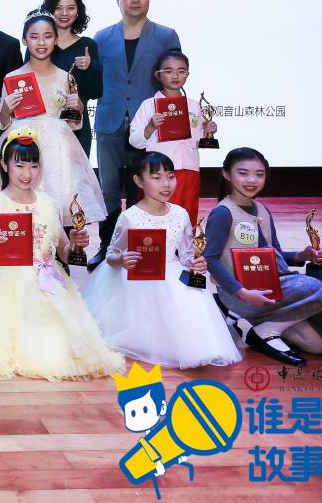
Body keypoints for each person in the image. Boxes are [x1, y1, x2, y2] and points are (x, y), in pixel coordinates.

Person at [0, 129, 123, 380]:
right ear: (5, 165)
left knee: (60, 344)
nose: (27, 173)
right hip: (1, 280)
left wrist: (75, 245)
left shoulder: (48, 203)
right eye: (19, 165)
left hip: (44, 277)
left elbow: (63, 251)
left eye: (33, 166)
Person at [81, 152, 241, 369]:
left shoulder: (180, 214)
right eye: (156, 178)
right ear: (138, 181)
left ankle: (195, 346)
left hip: (171, 270)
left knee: (191, 299)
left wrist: (195, 263)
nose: (166, 184)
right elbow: (111, 255)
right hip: (136, 278)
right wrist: (123, 260)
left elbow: (185, 254)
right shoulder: (130, 217)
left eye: (170, 176)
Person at [204, 147, 322, 367]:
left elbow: (273, 254)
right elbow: (210, 260)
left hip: (269, 291)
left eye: (259, 174)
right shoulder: (223, 213)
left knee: (317, 345)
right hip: (242, 294)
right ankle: (259, 328)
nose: (252, 180)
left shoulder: (262, 210)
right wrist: (242, 292)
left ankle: (266, 328)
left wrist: (302, 255)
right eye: (243, 173)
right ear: (226, 174)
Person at [0, 12, 106, 236]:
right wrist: (6, 110)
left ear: (56, 40)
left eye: (48, 36)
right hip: (22, 150)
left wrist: (78, 108)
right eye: (34, 37)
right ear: (24, 40)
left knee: (57, 214)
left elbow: (74, 125)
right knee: (20, 212)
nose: (41, 43)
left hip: (58, 153)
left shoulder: (66, 77)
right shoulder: (12, 77)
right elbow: (2, 125)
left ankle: (58, 255)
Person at [90, 0, 181, 270]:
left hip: (150, 125)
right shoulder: (102, 37)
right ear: (117, 0)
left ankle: (144, 246)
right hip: (110, 122)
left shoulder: (166, 36)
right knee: (108, 190)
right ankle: (108, 247)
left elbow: (174, 79)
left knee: (144, 188)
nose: (135, 0)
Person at [127, 49, 216, 222]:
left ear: (187, 75)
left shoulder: (194, 106)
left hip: (189, 170)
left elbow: (197, 140)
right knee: (156, 219)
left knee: (186, 218)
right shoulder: (148, 105)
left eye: (181, 71)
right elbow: (134, 141)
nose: (175, 76)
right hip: (159, 172)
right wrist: (151, 126)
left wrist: (208, 131)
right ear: (158, 75)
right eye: (168, 71)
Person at [32, 0, 101, 157]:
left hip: (76, 123)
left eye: (70, 8)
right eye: (58, 8)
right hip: (42, 123)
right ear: (50, 10)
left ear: (78, 12)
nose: (64, 13)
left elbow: (97, 92)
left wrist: (90, 67)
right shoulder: (39, 44)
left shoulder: (87, 45)